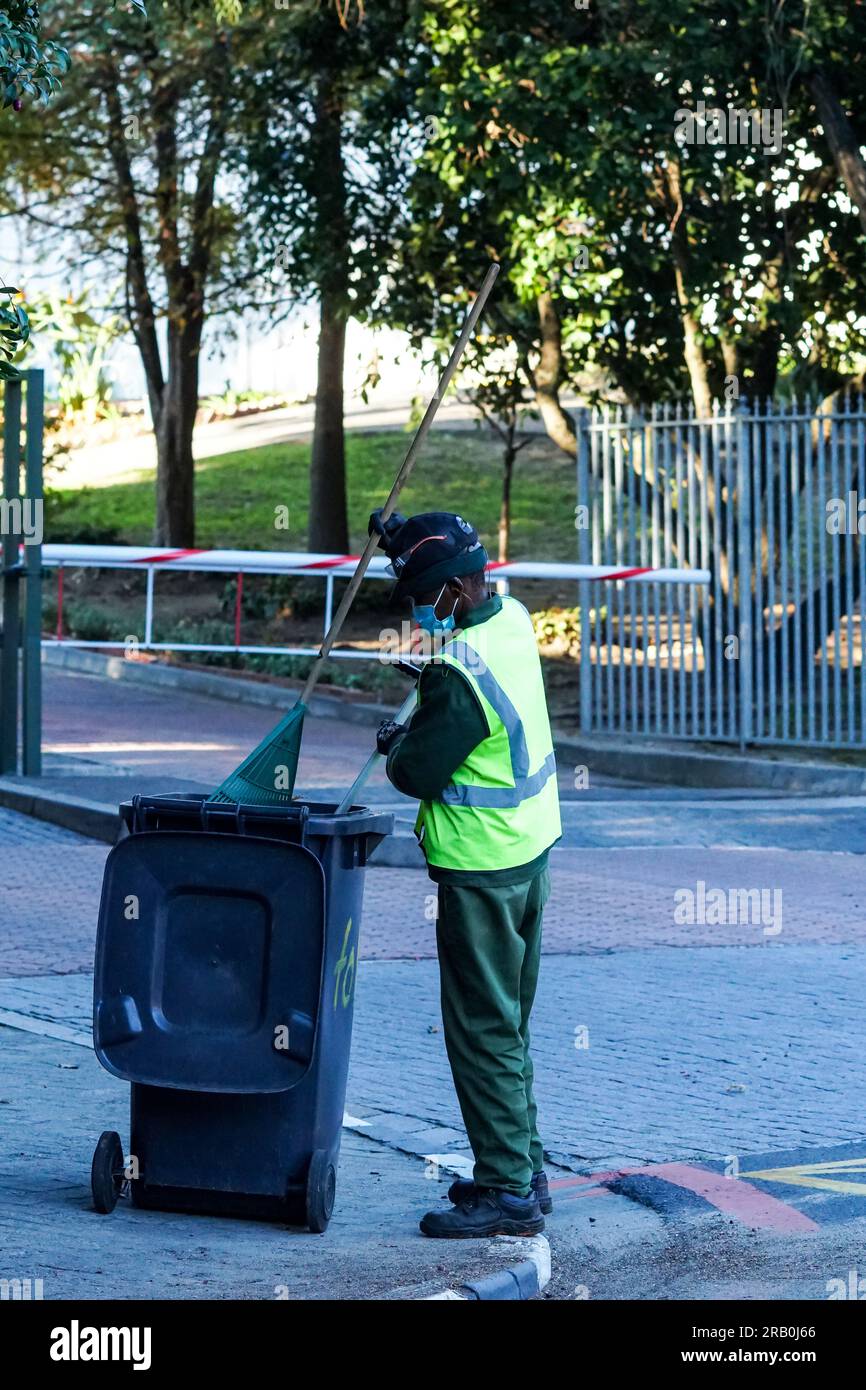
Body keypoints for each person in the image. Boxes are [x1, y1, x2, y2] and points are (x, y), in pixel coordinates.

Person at [369, 508, 562, 1238]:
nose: (417, 614)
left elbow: (415, 771)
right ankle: (525, 1166)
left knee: (481, 1032)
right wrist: (401, 538)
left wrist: (400, 740)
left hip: (482, 869)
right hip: (531, 854)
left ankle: (508, 1193)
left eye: (423, 597)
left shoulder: (457, 672)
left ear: (452, 590)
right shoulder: (509, 620)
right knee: (507, 1028)